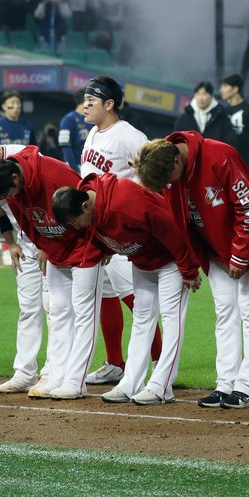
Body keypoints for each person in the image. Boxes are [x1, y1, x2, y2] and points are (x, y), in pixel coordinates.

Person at [135, 134, 249, 410]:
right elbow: (180, 222)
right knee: (225, 311)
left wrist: (240, 253)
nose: (169, 185)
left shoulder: (220, 155)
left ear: (177, 158)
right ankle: (226, 383)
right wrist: (192, 265)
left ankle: (247, 387)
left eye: (169, 179)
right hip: (213, 246)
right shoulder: (168, 167)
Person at [53, 175, 201, 405]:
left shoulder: (124, 203)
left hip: (171, 259)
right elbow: (100, 233)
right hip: (143, 260)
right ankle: (130, 383)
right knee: (142, 319)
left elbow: (171, 227)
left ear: (85, 205)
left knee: (173, 319)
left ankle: (162, 386)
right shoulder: (92, 208)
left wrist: (188, 268)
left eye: (75, 221)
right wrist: (105, 251)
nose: (76, 226)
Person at [0, 143, 91, 399]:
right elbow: (10, 212)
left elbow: (76, 202)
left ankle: (60, 374)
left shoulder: (39, 169)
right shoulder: (2, 182)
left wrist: (46, 245)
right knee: (34, 307)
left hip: (68, 243)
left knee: (60, 308)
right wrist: (20, 243)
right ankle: (30, 373)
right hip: (40, 240)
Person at [77, 76, 153, 389]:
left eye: (91, 102)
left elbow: (153, 174)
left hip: (124, 230)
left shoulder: (130, 136)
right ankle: (115, 363)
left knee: (135, 300)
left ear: (110, 104)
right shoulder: (93, 133)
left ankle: (162, 365)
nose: (84, 106)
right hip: (97, 230)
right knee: (107, 294)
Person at [0, 91, 35, 266]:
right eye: (12, 104)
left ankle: (34, 246)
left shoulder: (28, 127)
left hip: (22, 179)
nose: (16, 107)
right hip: (0, 180)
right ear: (4, 106)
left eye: (18, 104)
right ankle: (7, 245)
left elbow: (34, 150)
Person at [219, 74, 249, 176]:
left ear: (235, 89)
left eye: (225, 86)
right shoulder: (222, 112)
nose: (221, 90)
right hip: (226, 164)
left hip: (246, 163)